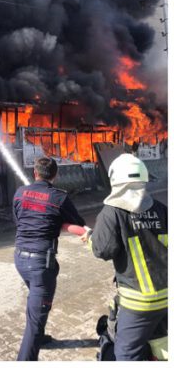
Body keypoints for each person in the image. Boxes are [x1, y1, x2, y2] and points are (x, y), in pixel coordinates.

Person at [91, 153, 167, 361]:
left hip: (138, 303)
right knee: (161, 345)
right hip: (168, 295)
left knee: (126, 353)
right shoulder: (161, 209)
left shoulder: (112, 213)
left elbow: (102, 250)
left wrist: (89, 237)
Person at [12, 156, 89, 361]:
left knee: (36, 305)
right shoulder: (59, 198)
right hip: (41, 265)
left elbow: (18, 219)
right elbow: (78, 222)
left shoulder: (20, 193)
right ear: (55, 175)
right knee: (36, 316)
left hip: (20, 259)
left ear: (35, 173)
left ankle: (39, 335)